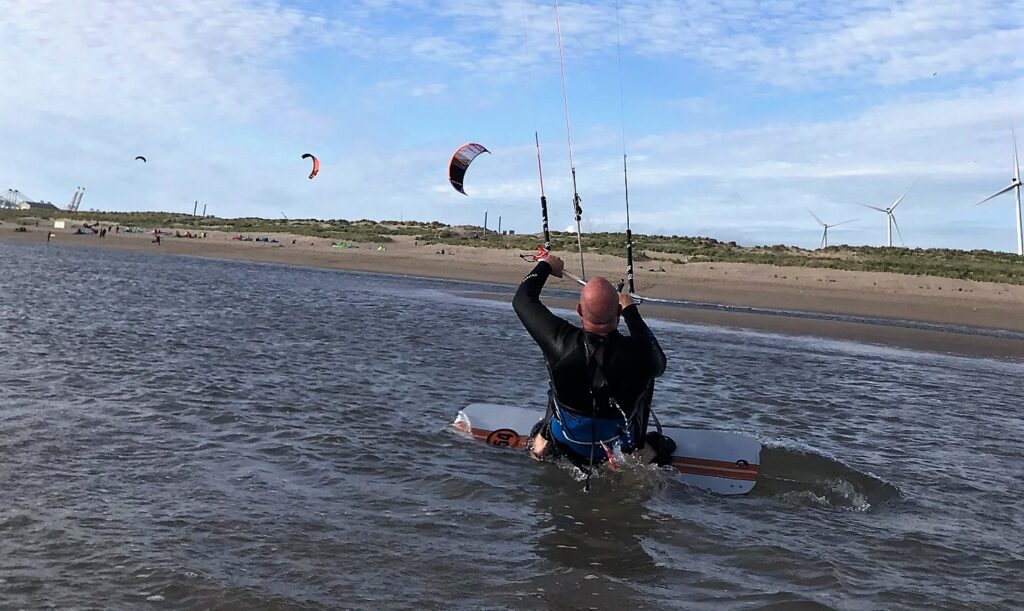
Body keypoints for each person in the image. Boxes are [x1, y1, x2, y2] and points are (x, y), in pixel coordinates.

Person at [513, 250, 674, 470]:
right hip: (617, 446)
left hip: (567, 442)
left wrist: (546, 265)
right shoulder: (640, 353)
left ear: (579, 310)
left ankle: (542, 441)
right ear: (618, 312)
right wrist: (631, 312)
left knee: (554, 365)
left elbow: (522, 299)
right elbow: (660, 363)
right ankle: (639, 450)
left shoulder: (560, 341)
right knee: (650, 385)